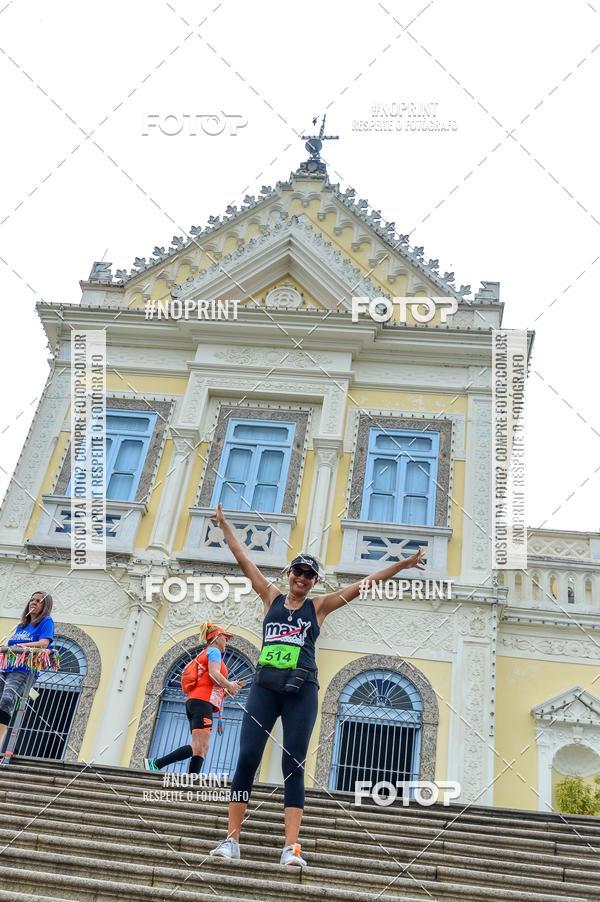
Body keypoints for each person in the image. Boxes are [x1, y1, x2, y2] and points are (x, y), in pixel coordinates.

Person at [209, 502, 426, 867]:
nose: (302, 578)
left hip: (302, 690)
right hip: (265, 687)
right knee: (246, 757)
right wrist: (225, 524)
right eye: (298, 571)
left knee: (293, 763)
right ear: (289, 572)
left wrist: (403, 565)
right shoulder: (270, 597)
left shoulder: (320, 607)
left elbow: (365, 585)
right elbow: (242, 557)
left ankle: (291, 848)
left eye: (309, 575)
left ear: (314, 582)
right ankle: (231, 840)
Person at [145, 621, 244, 775]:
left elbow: (212, 683)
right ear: (217, 638)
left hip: (198, 702)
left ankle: (191, 781)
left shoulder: (206, 653)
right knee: (199, 746)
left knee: (201, 748)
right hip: (201, 702)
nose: (227, 641)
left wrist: (229, 689)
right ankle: (156, 764)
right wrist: (229, 684)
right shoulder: (214, 651)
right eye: (225, 637)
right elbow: (214, 674)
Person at [0, 591, 55, 752]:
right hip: (6, 666)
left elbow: (44, 644)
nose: (34, 602)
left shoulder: (46, 621)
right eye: (32, 600)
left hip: (23, 668)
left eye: (39, 601)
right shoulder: (22, 625)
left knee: (7, 700)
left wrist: (22, 647)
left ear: (45, 606)